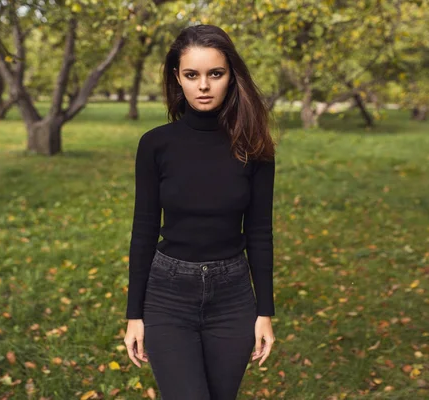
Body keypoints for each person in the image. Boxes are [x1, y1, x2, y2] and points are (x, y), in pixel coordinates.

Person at [124, 24, 277, 400]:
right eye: (192, 75)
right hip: (168, 294)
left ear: (231, 76)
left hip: (232, 296)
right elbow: (144, 228)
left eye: (215, 74)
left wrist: (265, 312)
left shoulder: (254, 145)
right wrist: (134, 315)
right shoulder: (156, 144)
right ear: (178, 78)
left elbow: (260, 232)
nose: (203, 86)